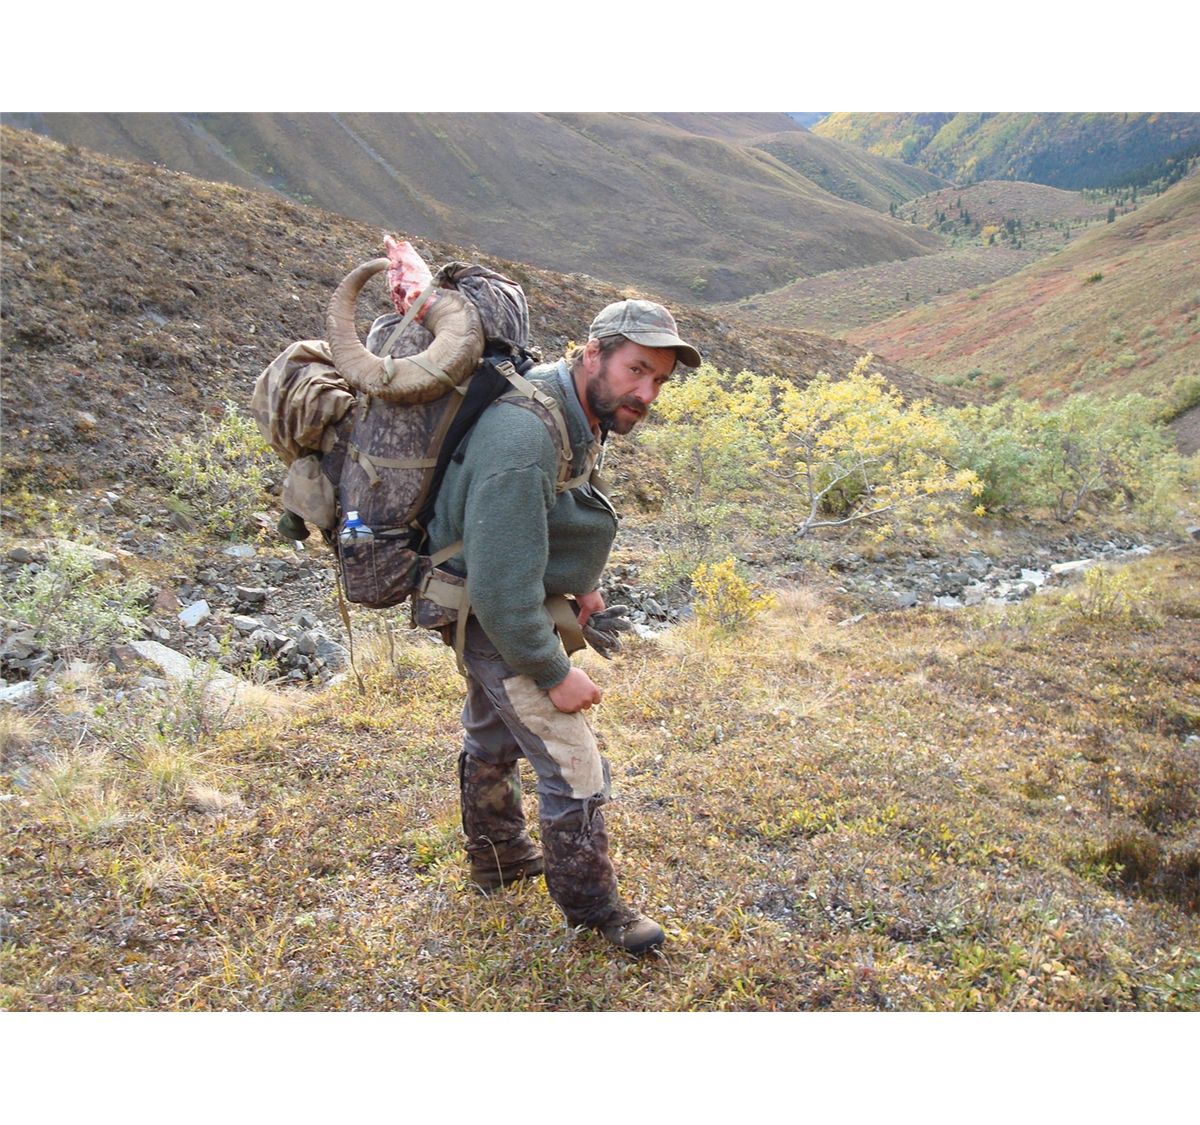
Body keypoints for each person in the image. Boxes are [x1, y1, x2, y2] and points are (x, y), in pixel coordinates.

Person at [410, 264, 701, 954]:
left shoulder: (572, 406)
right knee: (573, 761)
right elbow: (502, 591)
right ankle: (596, 913)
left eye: (659, 380)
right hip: (487, 610)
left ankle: (499, 859)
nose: (646, 392)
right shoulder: (526, 435)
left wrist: (580, 581)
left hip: (487, 595)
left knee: (493, 732)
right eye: (636, 370)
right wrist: (552, 671)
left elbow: (558, 505)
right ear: (593, 353)